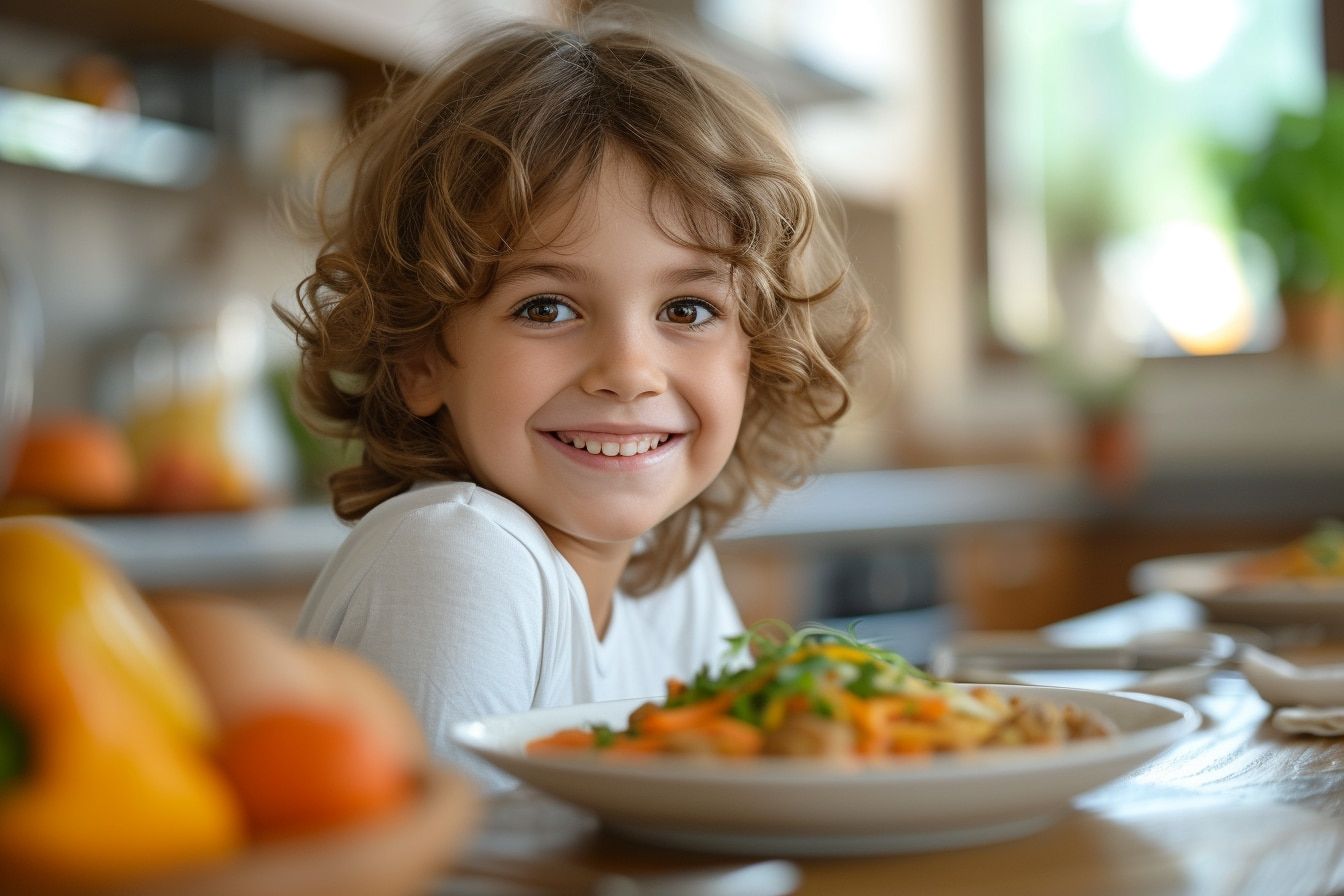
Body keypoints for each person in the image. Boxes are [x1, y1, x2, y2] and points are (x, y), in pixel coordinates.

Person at [281, 12, 870, 788]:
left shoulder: (669, 575)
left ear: (755, 353)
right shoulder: (460, 557)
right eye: (546, 308)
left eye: (687, 311)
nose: (629, 371)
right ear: (418, 356)